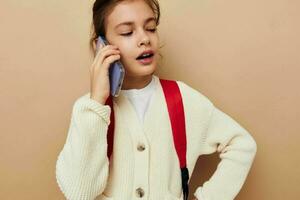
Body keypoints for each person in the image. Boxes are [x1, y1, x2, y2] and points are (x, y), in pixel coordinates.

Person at [55, 0, 257, 199]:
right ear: (101, 46)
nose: (144, 39)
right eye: (127, 32)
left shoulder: (182, 99)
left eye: (150, 28)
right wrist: (97, 101)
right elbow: (78, 194)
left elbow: (242, 144)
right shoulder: (89, 110)